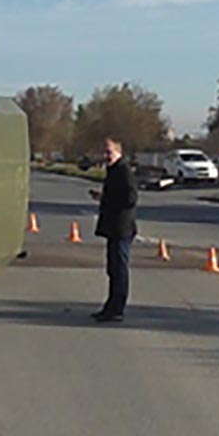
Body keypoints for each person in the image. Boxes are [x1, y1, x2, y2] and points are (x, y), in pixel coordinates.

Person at [89, 138, 138, 322]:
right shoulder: (114, 171)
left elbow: (131, 198)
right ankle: (110, 306)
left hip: (122, 228)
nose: (105, 156)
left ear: (119, 152)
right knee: (112, 270)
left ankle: (117, 309)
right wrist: (103, 197)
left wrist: (109, 200)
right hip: (114, 228)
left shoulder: (124, 171)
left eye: (109, 152)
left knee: (119, 269)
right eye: (104, 152)